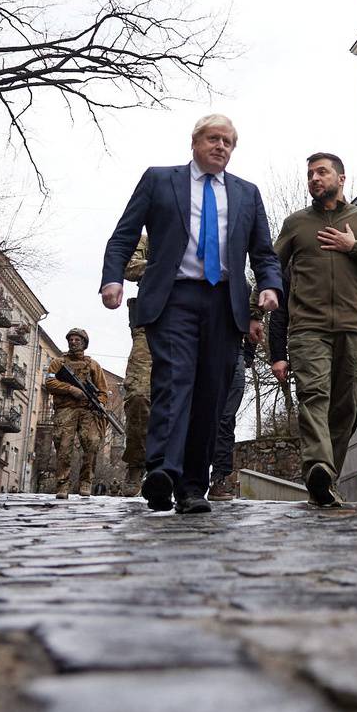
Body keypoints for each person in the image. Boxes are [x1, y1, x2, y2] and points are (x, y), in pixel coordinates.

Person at [100, 114, 281, 515]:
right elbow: (124, 235)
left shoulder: (247, 194)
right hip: (174, 298)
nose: (221, 147)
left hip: (224, 302)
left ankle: (193, 487)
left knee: (210, 395)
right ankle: (163, 471)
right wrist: (113, 278)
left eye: (229, 142)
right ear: (195, 142)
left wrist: (270, 285)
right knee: (174, 379)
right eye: (214, 139)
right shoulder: (160, 180)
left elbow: (264, 252)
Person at [267, 153, 357, 507]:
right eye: (310, 174)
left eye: (321, 172)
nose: (314, 178)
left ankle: (324, 479)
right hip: (308, 328)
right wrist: (255, 311)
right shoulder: (296, 224)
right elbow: (270, 269)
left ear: (341, 178)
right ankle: (318, 464)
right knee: (314, 396)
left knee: (346, 408)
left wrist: (355, 247)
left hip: (353, 330)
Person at [43, 328, 110, 499]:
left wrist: (99, 404)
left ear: (84, 343)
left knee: (92, 443)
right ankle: (62, 484)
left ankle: (86, 481)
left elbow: (102, 391)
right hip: (66, 409)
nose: (73, 342)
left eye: (77, 340)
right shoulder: (58, 363)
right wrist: (70, 389)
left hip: (88, 410)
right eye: (71, 339)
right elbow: (50, 381)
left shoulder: (93, 365)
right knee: (63, 446)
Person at [120, 233, 153, 494]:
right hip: (149, 326)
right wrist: (167, 263)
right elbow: (130, 266)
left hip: (189, 325)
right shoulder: (146, 239)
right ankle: (136, 464)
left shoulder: (199, 233)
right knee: (139, 395)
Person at [207, 334, 257, 501]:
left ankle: (218, 478)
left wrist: (248, 356)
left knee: (226, 418)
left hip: (236, 351)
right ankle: (192, 480)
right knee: (202, 415)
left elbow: (252, 315)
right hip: (205, 349)